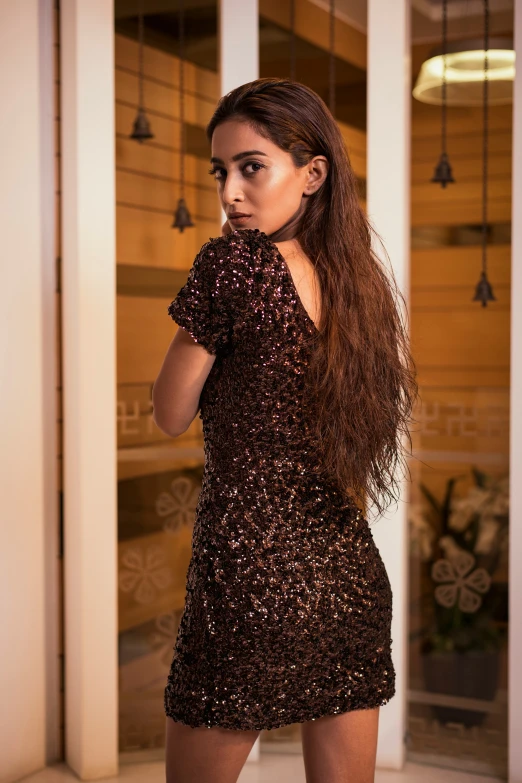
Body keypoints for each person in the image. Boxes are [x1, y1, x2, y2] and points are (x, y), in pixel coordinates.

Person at [152, 77, 418, 783]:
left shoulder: (231, 266)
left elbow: (170, 411)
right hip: (347, 582)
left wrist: (209, 293)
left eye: (251, 167)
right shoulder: (359, 285)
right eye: (221, 171)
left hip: (248, 585)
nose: (230, 192)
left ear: (312, 173)